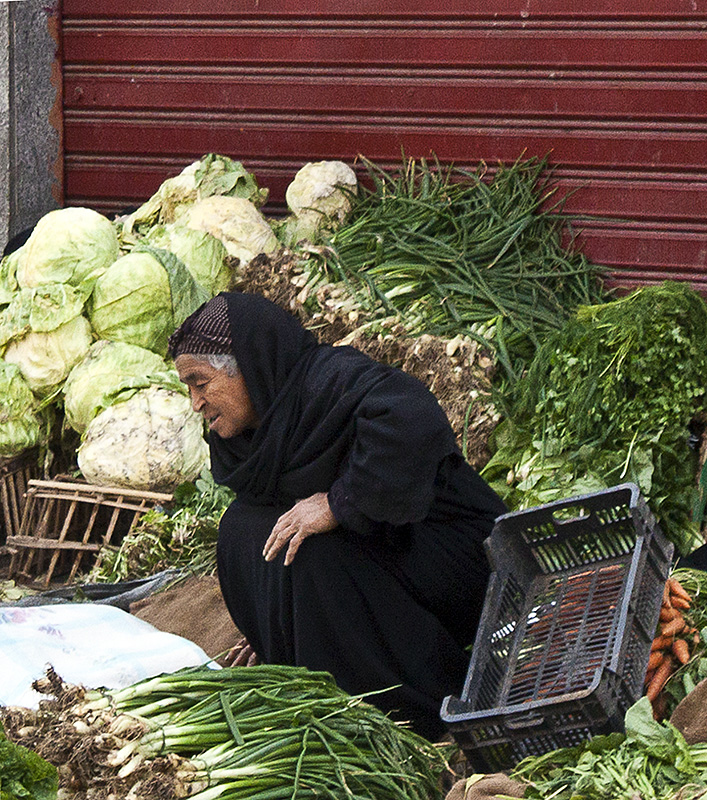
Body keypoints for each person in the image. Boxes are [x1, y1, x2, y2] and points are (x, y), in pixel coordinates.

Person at [167, 292, 508, 740]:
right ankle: (300, 660)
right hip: (381, 552)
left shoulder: (328, 380)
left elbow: (412, 419)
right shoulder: (257, 432)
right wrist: (275, 617)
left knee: (312, 553)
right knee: (241, 530)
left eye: (201, 383)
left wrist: (336, 504)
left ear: (250, 365)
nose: (195, 402)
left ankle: (409, 707)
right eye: (188, 388)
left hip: (454, 553)